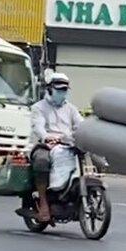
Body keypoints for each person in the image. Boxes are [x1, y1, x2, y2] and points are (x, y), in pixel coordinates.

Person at [27, 71, 82, 221]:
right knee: (41, 162)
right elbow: (38, 127)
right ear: (49, 89)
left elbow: (80, 125)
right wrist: (46, 137)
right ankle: (43, 203)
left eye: (64, 90)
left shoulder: (71, 109)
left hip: (66, 144)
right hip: (43, 145)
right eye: (59, 89)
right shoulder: (38, 108)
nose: (62, 93)